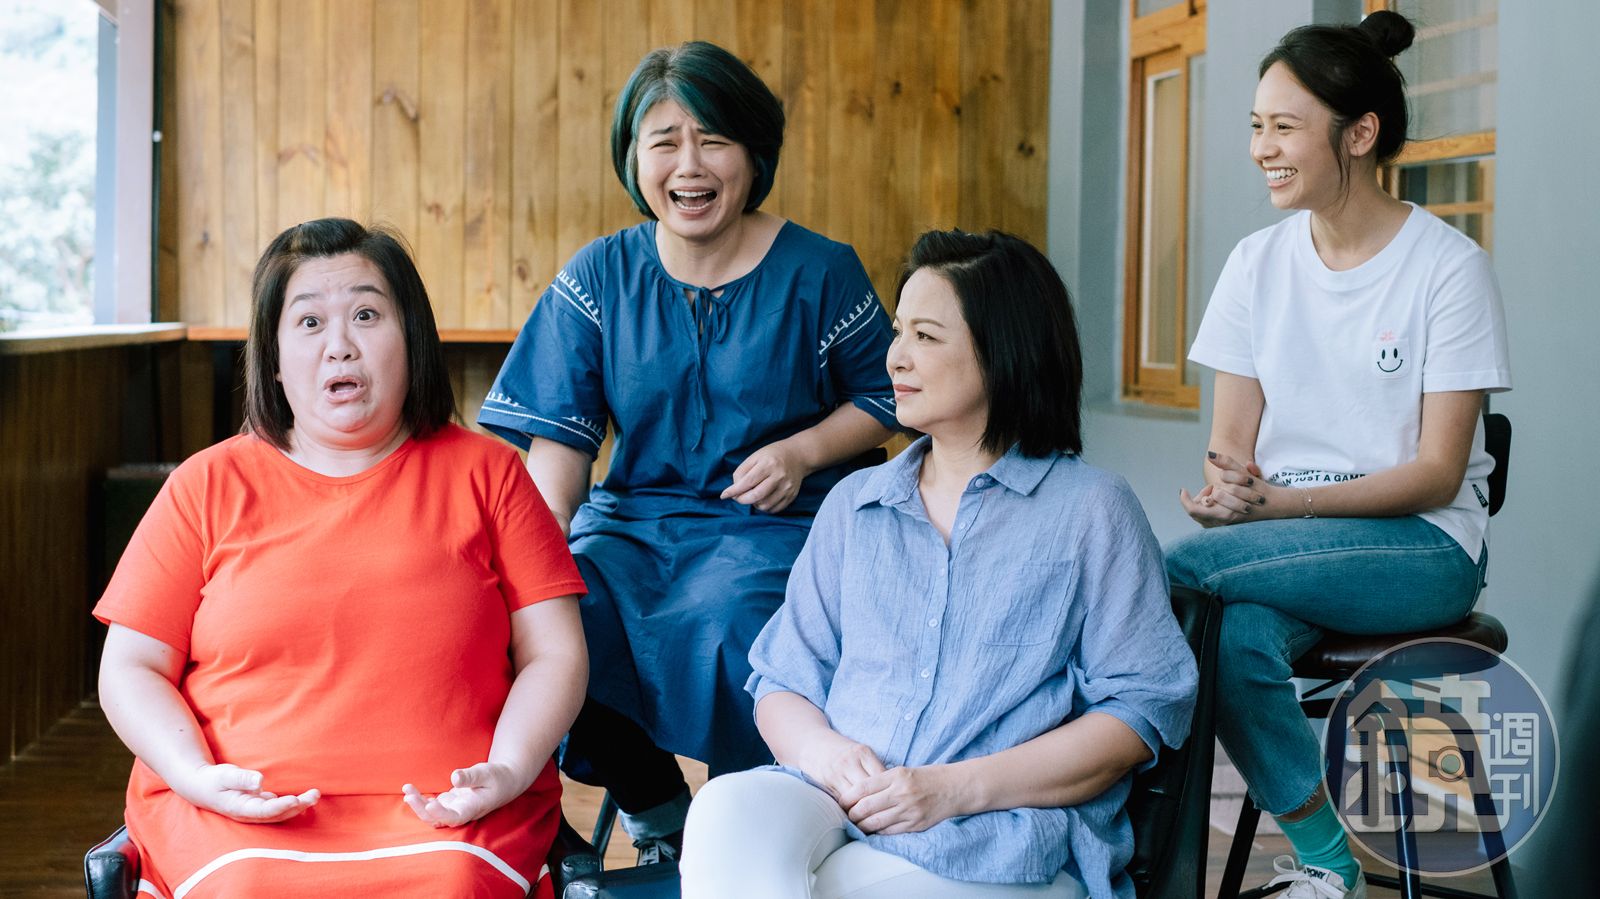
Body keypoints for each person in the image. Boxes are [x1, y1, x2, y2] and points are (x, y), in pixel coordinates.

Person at [679, 230, 1199, 899]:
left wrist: (951, 789)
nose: (896, 355)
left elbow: (1139, 712)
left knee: (830, 887)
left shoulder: (1091, 510)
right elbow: (783, 679)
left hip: (998, 834)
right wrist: (825, 755)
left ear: (1003, 351)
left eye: (925, 336)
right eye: (899, 331)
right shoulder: (855, 505)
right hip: (840, 806)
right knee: (725, 811)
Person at [477, 41, 899, 863]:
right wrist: (534, 558)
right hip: (633, 526)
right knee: (555, 614)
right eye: (664, 141)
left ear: (754, 154)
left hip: (778, 527)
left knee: (736, 620)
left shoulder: (820, 271)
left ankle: (756, 831)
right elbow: (558, 450)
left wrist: (804, 450)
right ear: (634, 158)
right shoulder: (600, 276)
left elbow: (888, 396)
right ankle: (659, 810)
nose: (689, 165)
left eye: (713, 140)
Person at [94, 218, 588, 898]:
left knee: (450, 885)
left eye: (366, 315)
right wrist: (193, 774)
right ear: (273, 358)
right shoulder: (203, 485)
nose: (340, 346)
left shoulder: (493, 474)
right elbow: (132, 665)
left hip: (452, 816)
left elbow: (555, 655)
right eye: (309, 323)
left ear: (411, 338)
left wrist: (506, 770)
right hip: (236, 818)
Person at [1163, 11, 1512, 898]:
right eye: (1257, 125)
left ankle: (1140, 854)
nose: (1261, 148)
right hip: (1291, 549)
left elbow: (1438, 472)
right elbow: (1230, 448)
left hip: (1423, 547)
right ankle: (1328, 861)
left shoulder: (1448, 269)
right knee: (1231, 637)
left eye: (1284, 127)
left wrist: (1281, 506)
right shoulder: (1255, 264)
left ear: (1358, 134)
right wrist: (1229, 494)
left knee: (1169, 573)